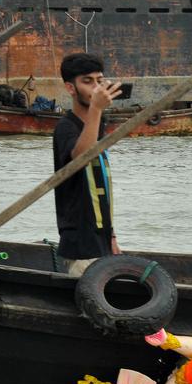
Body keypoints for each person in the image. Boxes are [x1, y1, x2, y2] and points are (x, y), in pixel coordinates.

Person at [52, 53, 123, 276]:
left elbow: (100, 186)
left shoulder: (97, 124)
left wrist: (111, 236)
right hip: (80, 245)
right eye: (87, 81)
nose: (96, 87)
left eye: (99, 81)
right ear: (71, 88)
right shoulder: (65, 128)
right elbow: (82, 156)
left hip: (101, 242)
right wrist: (96, 109)